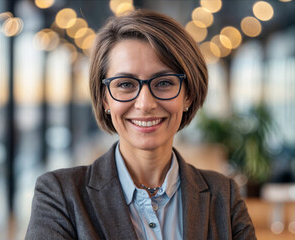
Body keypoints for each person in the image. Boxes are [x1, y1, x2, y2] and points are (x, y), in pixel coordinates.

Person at [25, 9, 256, 240]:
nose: (145, 104)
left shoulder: (224, 196)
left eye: (164, 82)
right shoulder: (60, 195)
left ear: (188, 95)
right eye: (125, 84)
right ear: (105, 98)